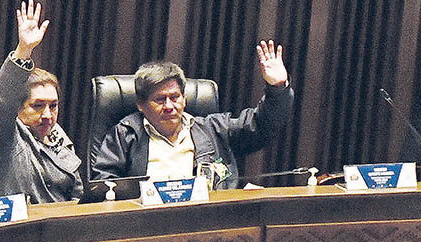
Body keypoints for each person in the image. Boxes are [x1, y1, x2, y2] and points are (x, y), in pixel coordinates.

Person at [90, 41, 294, 189]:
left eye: (175, 97)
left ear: (184, 99)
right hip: (146, 225)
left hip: (205, 223)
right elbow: (105, 184)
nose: (169, 106)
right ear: (141, 104)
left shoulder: (213, 129)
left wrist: (277, 88)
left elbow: (261, 125)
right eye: (160, 99)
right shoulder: (125, 135)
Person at [0, 1, 82, 203]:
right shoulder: (3, 137)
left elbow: (77, 194)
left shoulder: (59, 138)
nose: (47, 115)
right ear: (17, 108)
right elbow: (0, 103)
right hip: (15, 230)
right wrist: (23, 51)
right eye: (37, 105)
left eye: (53, 106)